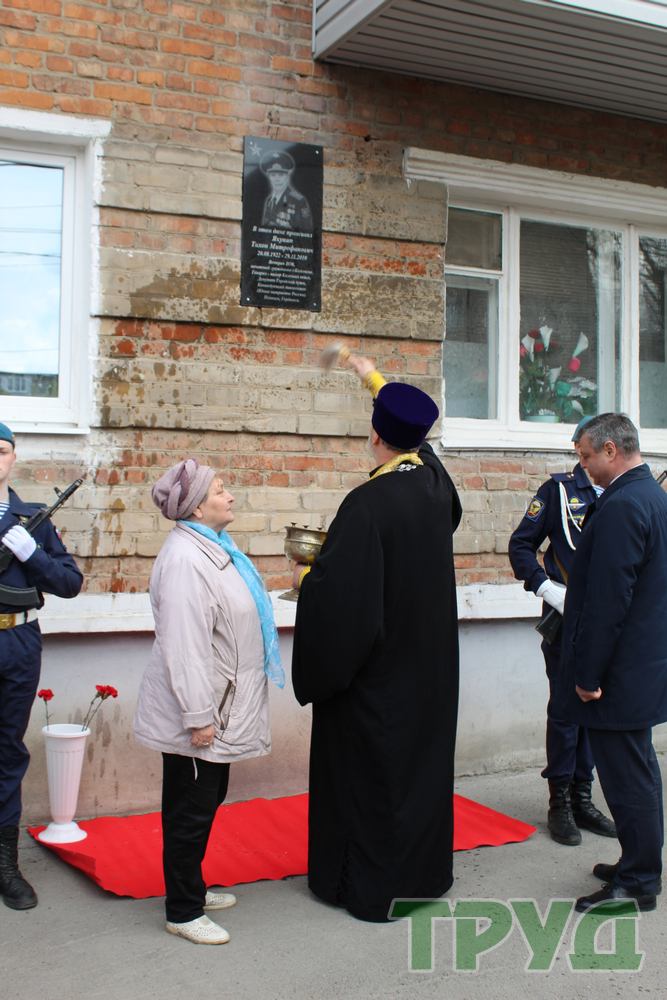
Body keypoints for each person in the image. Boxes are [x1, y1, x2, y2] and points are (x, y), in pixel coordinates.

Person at [291, 356, 461, 922]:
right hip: (429, 672)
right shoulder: (435, 485)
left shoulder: (368, 503)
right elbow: (419, 442)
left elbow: (345, 604)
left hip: (379, 680)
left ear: (374, 434)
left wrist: (308, 580)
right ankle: (423, 877)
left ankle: (370, 889)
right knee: (418, 775)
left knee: (374, 778)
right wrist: (374, 379)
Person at [134, 458, 284, 944]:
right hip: (202, 710)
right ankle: (182, 910)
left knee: (204, 801)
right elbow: (185, 646)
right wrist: (198, 716)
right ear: (197, 506)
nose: (230, 496)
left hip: (220, 702)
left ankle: (191, 889)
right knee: (189, 810)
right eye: (220, 490)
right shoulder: (185, 561)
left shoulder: (214, 548)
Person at [554, 413, 667, 912]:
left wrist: (588, 675)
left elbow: (608, 600)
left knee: (626, 779)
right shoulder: (650, 495)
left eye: (585, 456)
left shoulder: (624, 504)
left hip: (618, 673)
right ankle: (638, 862)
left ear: (610, 450)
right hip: (641, 663)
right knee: (638, 770)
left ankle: (639, 882)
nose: (583, 466)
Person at [508, 416, 616, 846]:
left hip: (606, 622)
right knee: (566, 711)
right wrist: (545, 587)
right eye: (580, 453)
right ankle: (560, 802)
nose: (584, 461)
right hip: (565, 618)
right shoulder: (558, 492)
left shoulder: (621, 493)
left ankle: (583, 797)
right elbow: (521, 544)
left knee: (596, 708)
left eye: (587, 453)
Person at [0, 422, 83, 910]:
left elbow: (70, 583)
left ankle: (6, 865)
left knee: (7, 750)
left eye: (2, 450)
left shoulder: (32, 519)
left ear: (13, 458)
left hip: (18, 641)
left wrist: (32, 555)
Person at [260, 149, 313, 231]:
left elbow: (307, 232)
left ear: (287, 176)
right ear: (269, 177)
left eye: (281, 175)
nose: (277, 179)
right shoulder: (269, 201)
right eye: (273, 175)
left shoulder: (298, 200)